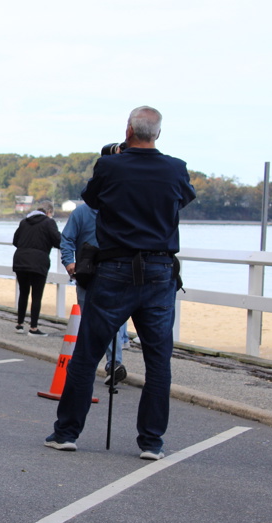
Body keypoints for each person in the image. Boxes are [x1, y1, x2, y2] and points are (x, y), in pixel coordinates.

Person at [46, 105, 196, 460]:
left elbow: (92, 199)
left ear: (128, 130)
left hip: (114, 268)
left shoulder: (110, 165)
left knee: (87, 354)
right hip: (159, 270)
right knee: (158, 360)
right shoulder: (176, 168)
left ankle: (67, 433)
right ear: (158, 133)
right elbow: (183, 199)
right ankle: (151, 442)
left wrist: (117, 156)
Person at [60, 203, 129, 384]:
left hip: (114, 274)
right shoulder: (82, 213)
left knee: (111, 319)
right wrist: (69, 262)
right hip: (87, 274)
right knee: (90, 321)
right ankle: (94, 365)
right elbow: (66, 239)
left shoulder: (119, 210)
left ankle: (113, 364)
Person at [12, 200, 60, 336]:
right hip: (38, 261)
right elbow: (58, 241)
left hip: (20, 259)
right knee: (36, 295)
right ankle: (33, 328)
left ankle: (20, 324)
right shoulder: (49, 222)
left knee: (23, 292)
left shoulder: (24, 222)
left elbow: (15, 241)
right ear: (49, 212)